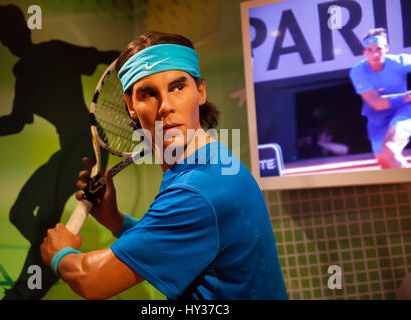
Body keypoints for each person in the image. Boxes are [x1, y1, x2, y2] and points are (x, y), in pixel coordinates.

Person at [40, 31, 288, 300]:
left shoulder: (196, 192)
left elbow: (91, 280)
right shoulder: (215, 163)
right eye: (148, 93)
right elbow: (182, 241)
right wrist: (115, 220)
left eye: (178, 87)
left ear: (200, 91)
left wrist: (60, 253)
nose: (165, 106)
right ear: (130, 106)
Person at [0, 5, 119, 299]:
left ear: (24, 28)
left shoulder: (53, 51)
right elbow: (17, 122)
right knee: (25, 216)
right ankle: (53, 266)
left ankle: (34, 283)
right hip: (73, 148)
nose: (7, 39)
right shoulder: (22, 70)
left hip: (86, 145)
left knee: (34, 216)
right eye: (2, 35)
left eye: (10, 30)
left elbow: (104, 57)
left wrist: (140, 73)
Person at [349, 28, 411, 168]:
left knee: (390, 149)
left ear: (387, 48)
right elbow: (377, 103)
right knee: (385, 162)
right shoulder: (357, 71)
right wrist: (407, 96)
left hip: (405, 110)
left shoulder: (400, 61)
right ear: (364, 52)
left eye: (379, 48)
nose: (375, 54)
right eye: (369, 50)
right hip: (377, 118)